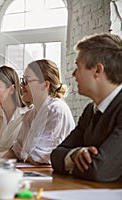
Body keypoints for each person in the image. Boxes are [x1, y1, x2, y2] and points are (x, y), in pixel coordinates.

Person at [51, 33, 122, 182]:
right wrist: (76, 154)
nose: (74, 74)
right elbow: (56, 155)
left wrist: (69, 159)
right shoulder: (90, 110)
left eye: (78, 67)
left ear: (97, 71)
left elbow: (99, 170)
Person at [0, 59, 75, 165]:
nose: (21, 85)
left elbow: (42, 158)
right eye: (22, 80)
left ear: (45, 85)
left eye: (27, 81)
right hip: (34, 172)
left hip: (52, 176)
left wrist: (25, 156)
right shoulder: (30, 114)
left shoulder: (56, 110)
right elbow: (16, 152)